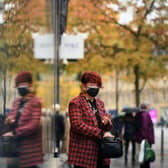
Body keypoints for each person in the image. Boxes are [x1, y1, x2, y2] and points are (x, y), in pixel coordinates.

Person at [68, 71, 113, 168]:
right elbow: (77, 125)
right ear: (83, 86)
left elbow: (105, 126)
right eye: (92, 85)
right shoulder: (76, 103)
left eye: (97, 85)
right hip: (84, 154)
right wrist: (101, 133)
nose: (95, 88)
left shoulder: (100, 103)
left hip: (101, 153)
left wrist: (106, 122)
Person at [3, 72, 43, 168]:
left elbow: (34, 125)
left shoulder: (36, 102)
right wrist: (9, 120)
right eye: (18, 86)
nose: (20, 88)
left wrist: (15, 133)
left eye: (23, 85)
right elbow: (11, 115)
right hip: (14, 148)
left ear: (30, 85)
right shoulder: (16, 102)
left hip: (29, 150)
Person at [135, 103, 155, 168]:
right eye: (148, 106)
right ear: (146, 107)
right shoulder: (145, 115)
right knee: (146, 155)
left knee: (143, 154)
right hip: (145, 138)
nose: (149, 108)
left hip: (141, 138)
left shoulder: (139, 114)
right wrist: (145, 137)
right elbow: (144, 127)